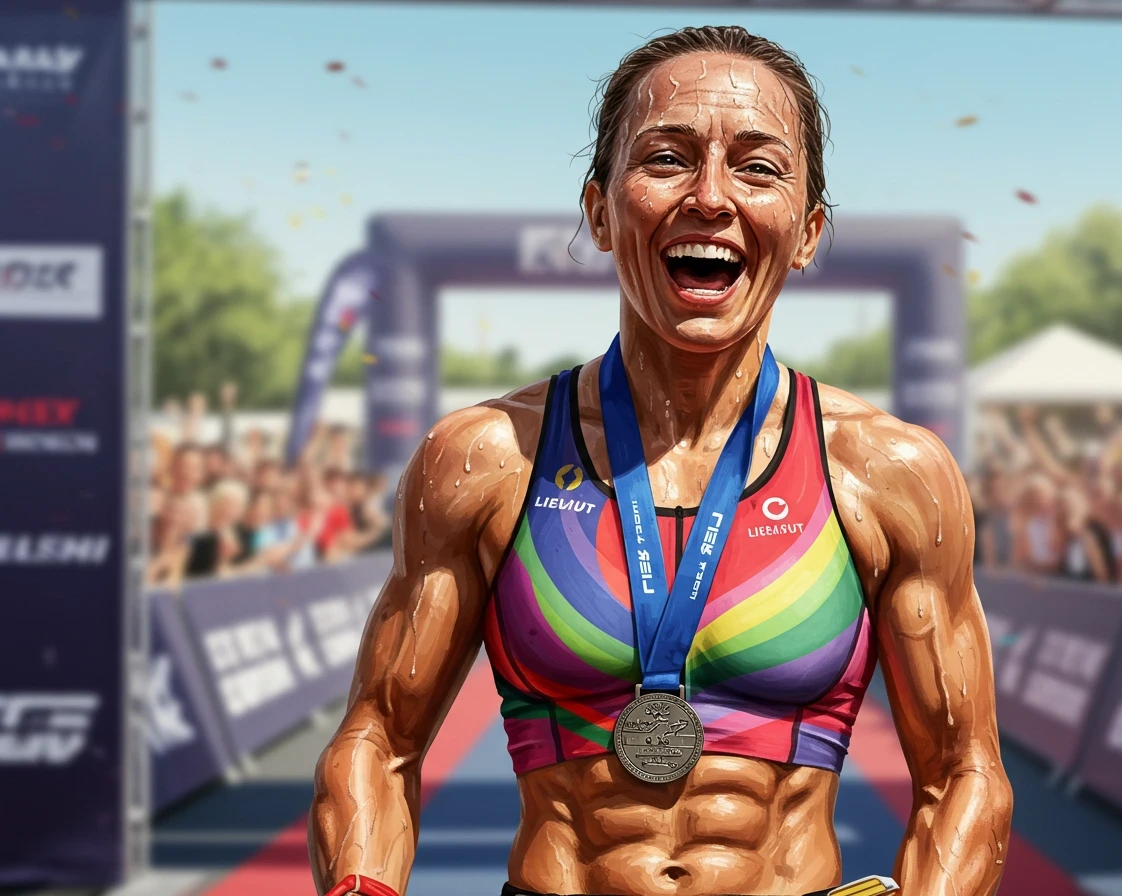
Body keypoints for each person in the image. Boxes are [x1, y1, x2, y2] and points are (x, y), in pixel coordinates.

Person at [309, 26, 1011, 896]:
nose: (710, 197)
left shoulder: (893, 472)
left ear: (807, 232)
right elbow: (378, 740)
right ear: (600, 212)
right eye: (668, 159)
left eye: (757, 167)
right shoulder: (485, 459)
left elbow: (963, 774)